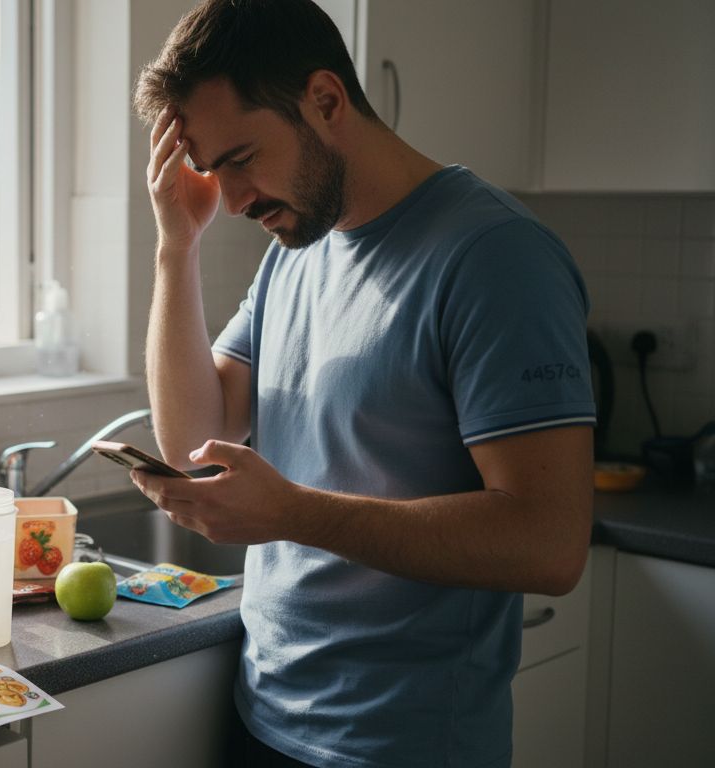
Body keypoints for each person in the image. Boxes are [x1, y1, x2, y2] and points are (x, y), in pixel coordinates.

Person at [130, 1, 595, 766]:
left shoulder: (496, 258)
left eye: (241, 157)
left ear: (325, 100)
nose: (236, 198)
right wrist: (174, 247)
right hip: (264, 713)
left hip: (401, 743)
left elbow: (549, 544)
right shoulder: (297, 250)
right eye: (215, 169)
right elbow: (192, 442)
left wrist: (292, 513)